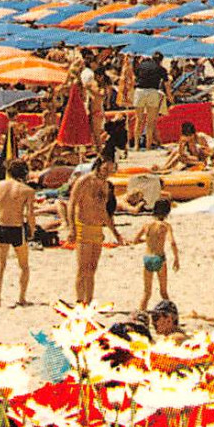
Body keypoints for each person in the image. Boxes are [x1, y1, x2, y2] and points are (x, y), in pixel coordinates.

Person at [0, 160, 37, 308]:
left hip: (1, 226)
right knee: (24, 265)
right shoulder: (27, 191)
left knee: (0, 264)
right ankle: (22, 298)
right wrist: (32, 229)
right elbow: (30, 214)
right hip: (17, 228)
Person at [68, 153, 120, 305]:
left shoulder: (104, 184)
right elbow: (72, 203)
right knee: (82, 268)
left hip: (97, 228)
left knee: (92, 269)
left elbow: (103, 211)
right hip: (83, 226)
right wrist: (72, 227)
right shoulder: (84, 180)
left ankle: (88, 301)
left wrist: (115, 232)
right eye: (106, 168)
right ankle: (79, 301)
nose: (107, 172)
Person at [133, 198, 180, 309]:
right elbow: (172, 242)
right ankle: (170, 312)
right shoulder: (165, 226)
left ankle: (140, 315)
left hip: (148, 258)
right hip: (159, 258)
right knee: (163, 292)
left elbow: (135, 240)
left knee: (146, 293)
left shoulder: (146, 225)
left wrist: (147, 241)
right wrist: (176, 258)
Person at [132, 51, 168, 149]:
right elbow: (167, 84)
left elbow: (136, 76)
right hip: (152, 91)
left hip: (140, 91)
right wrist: (170, 97)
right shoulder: (161, 69)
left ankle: (136, 145)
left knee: (139, 120)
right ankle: (148, 146)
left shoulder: (142, 65)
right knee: (150, 122)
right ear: (161, 60)